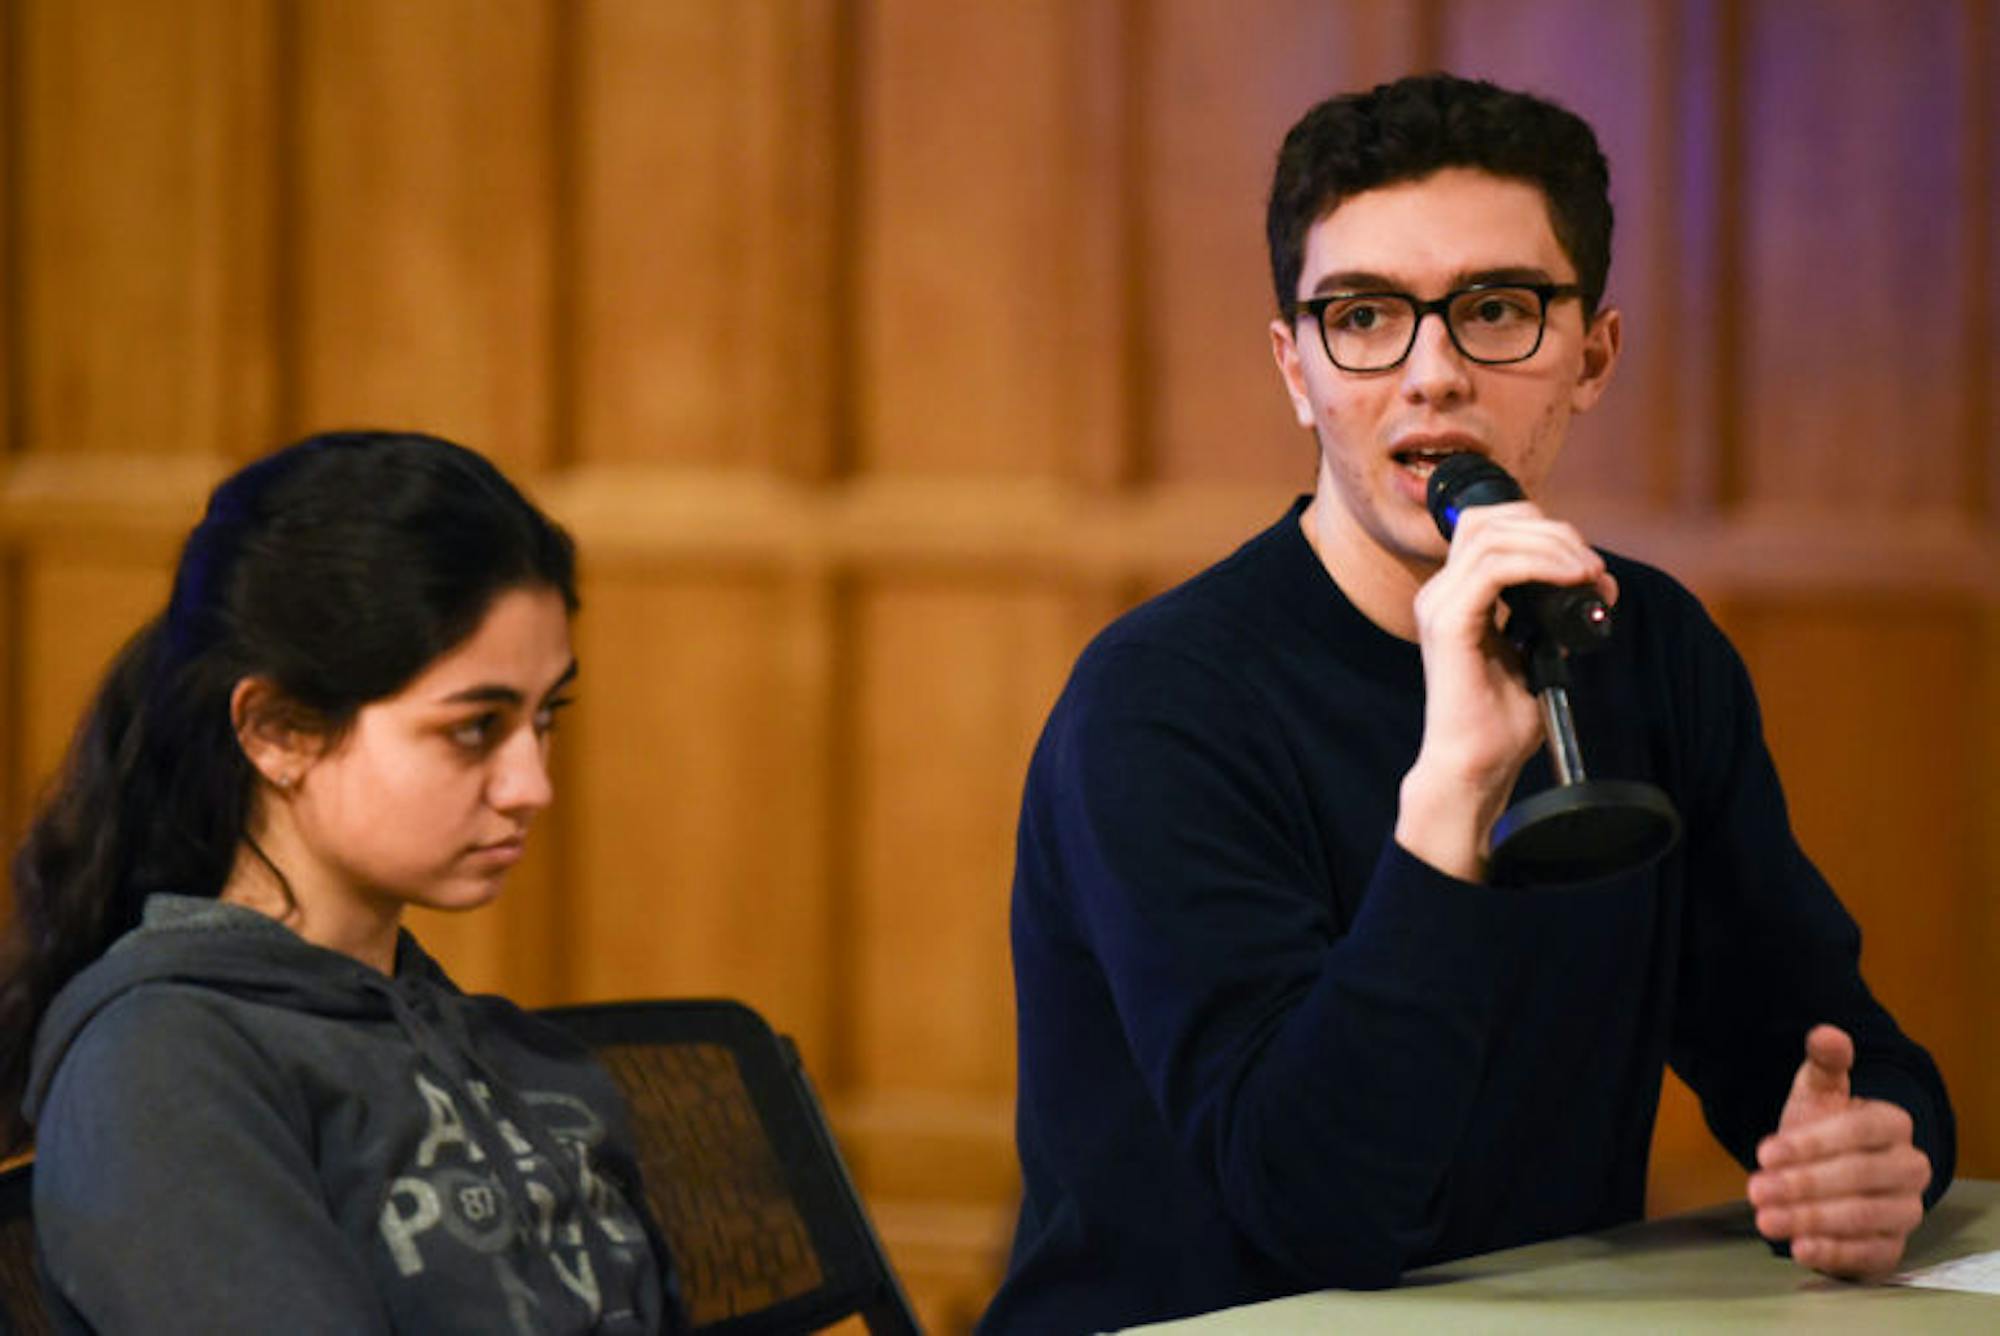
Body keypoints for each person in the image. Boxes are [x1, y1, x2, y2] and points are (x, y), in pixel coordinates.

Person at [980, 73, 1953, 1334]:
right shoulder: (1159, 703)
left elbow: (1823, 1046)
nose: (1430, 373)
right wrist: (1450, 790)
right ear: (1294, 368)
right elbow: (1317, 1213)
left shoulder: (1643, 647)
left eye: (1495, 309)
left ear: (1592, 355)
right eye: (1365, 317)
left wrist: (1876, 1149)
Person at [0, 431, 680, 1334]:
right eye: (475, 728)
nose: (532, 787)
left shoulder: (493, 1050)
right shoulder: (160, 1065)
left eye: (544, 717)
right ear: (278, 730)